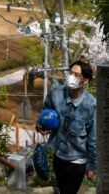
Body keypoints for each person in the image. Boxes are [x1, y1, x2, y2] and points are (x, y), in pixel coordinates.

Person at [36, 60, 96, 194]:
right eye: (71, 73)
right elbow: (46, 112)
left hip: (77, 160)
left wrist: (91, 166)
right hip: (58, 154)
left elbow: (92, 138)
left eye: (77, 75)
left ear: (85, 81)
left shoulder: (91, 105)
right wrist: (40, 125)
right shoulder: (56, 92)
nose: (71, 77)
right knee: (63, 188)